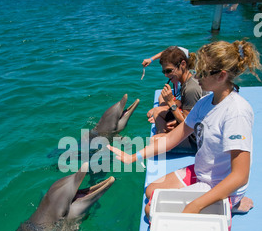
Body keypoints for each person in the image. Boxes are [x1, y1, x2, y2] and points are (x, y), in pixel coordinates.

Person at [109, 40, 261, 215]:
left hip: (221, 184)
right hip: (203, 172)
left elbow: (240, 176)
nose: (196, 77)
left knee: (152, 210)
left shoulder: (236, 112)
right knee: (151, 190)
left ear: (221, 76)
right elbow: (173, 138)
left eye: (202, 73)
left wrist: (195, 205)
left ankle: (233, 203)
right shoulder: (205, 103)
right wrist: (132, 158)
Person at [143, 46, 204, 140]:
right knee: (157, 112)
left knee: (154, 141)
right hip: (194, 124)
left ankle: (166, 140)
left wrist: (171, 102)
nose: (166, 75)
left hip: (196, 138)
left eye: (169, 71)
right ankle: (166, 136)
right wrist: (175, 121)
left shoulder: (191, 89)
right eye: (164, 72)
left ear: (183, 64)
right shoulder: (188, 79)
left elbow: (188, 124)